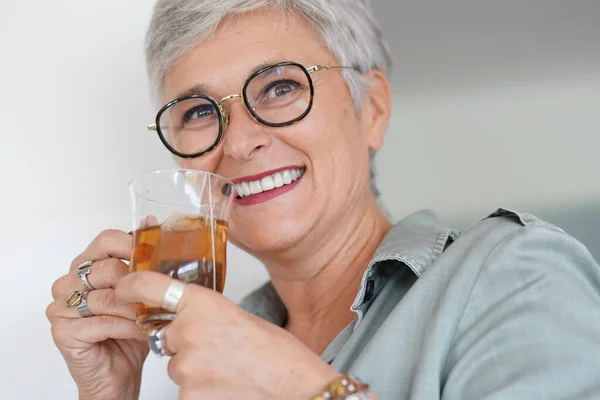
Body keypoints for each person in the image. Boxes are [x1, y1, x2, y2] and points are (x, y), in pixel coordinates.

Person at [46, 0, 600, 399]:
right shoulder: (209, 352)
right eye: (197, 113)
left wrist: (301, 387)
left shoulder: (515, 272)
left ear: (372, 109)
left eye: (281, 87)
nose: (239, 142)